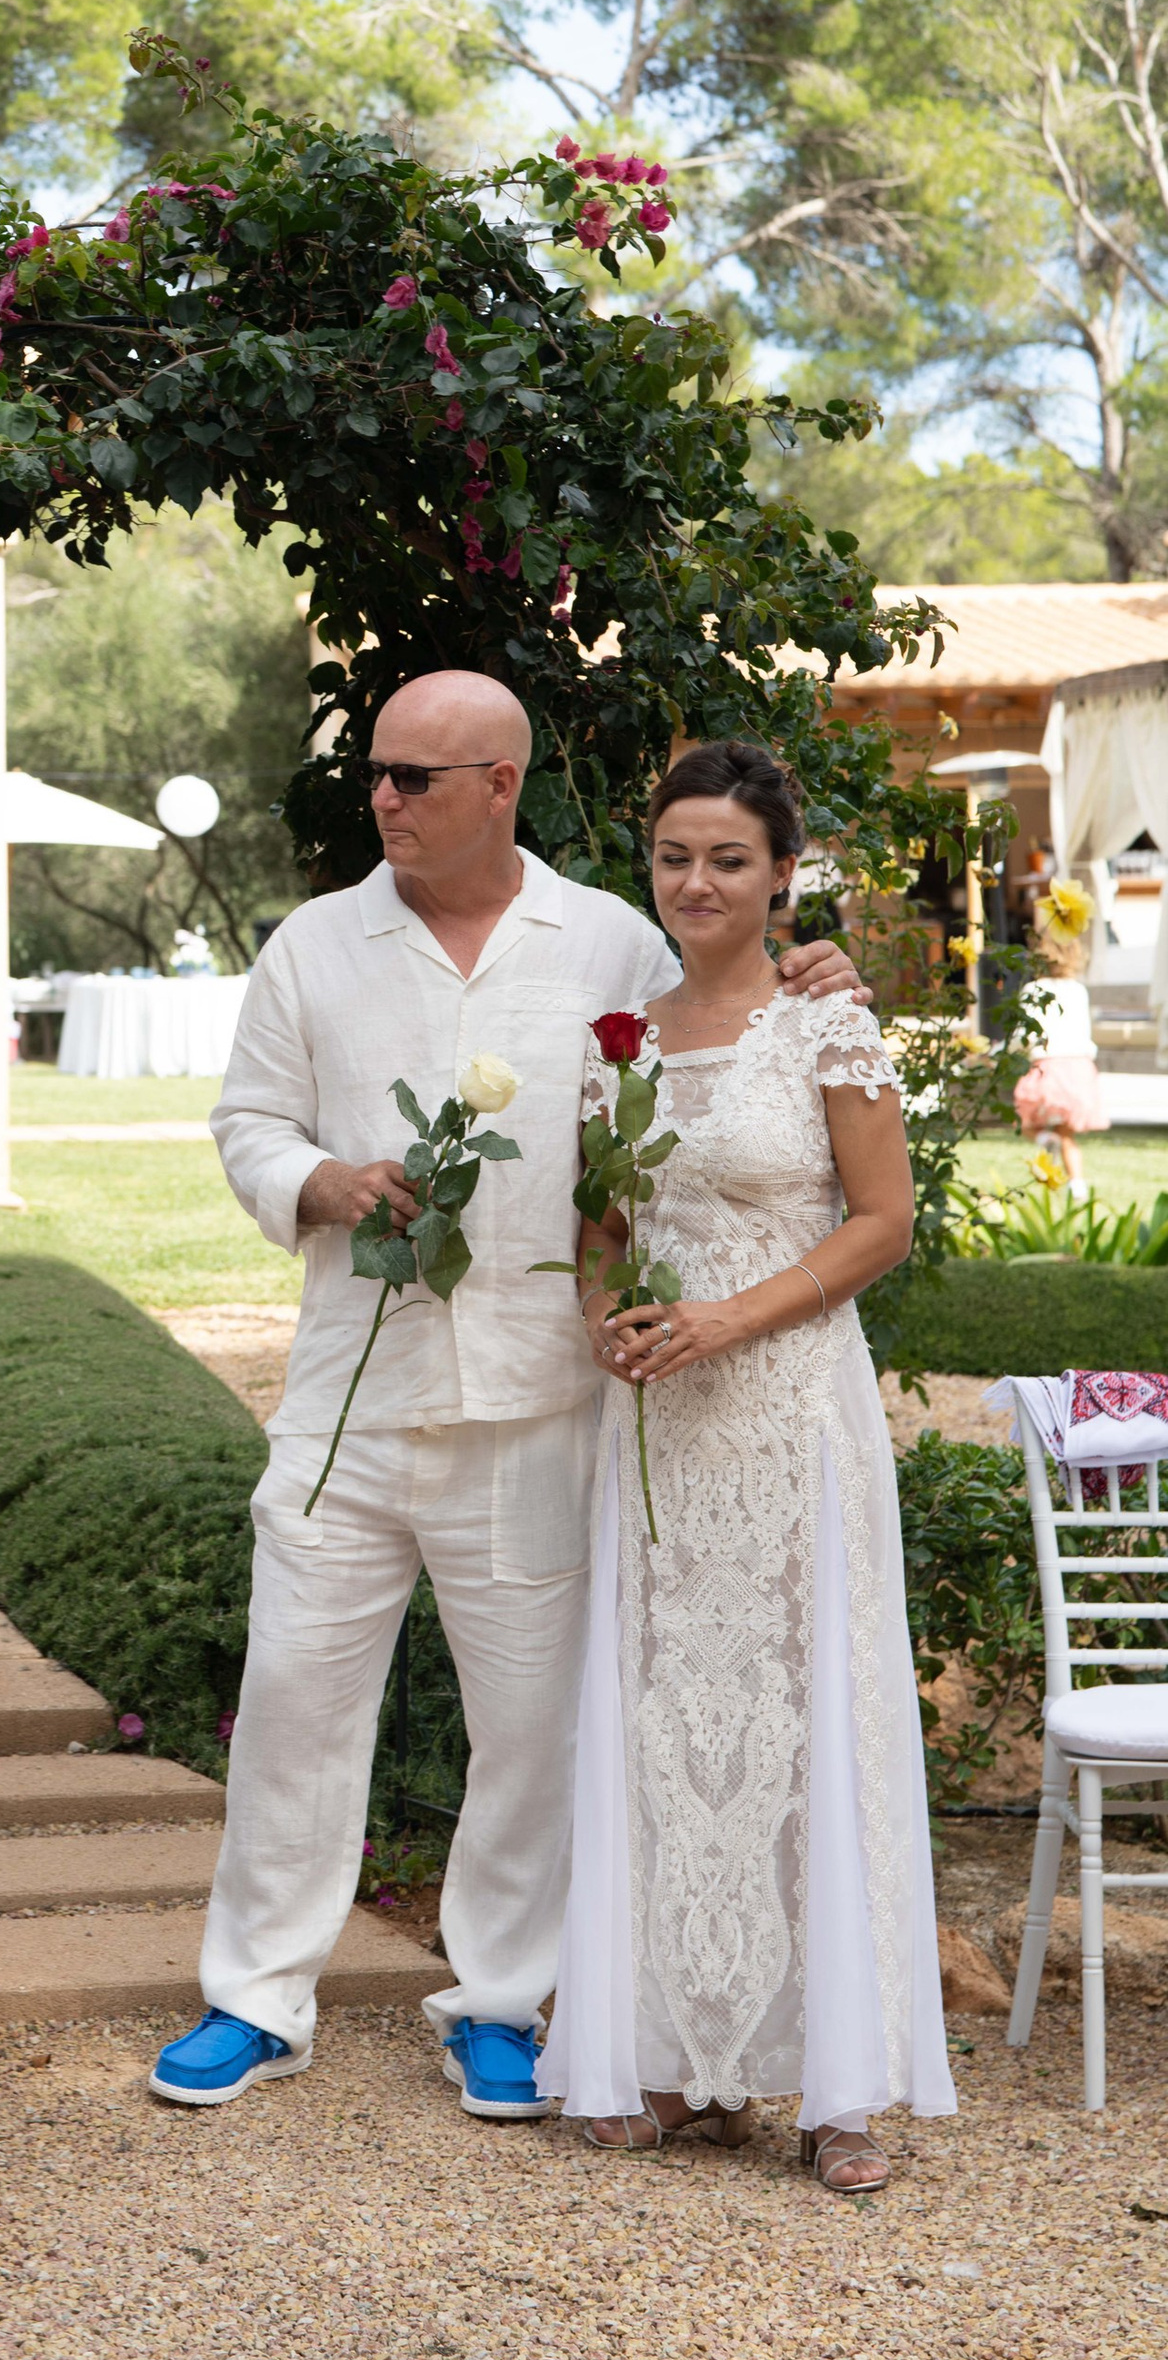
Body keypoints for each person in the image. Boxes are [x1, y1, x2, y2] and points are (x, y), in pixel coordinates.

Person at [151, 669, 869, 2123]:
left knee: (529, 1730)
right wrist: (321, 1182)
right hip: (349, 1396)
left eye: (416, 777)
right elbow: (245, 1119)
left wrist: (817, 972)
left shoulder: (607, 941)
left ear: (500, 785)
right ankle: (255, 1998)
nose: (385, 799)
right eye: (376, 773)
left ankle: (496, 2000)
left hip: (542, 1400)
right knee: (292, 1700)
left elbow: (719, 1025)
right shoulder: (312, 946)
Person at [539, 740, 953, 2194]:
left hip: (786, 1411)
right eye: (673, 856)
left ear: (782, 873)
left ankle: (836, 2086)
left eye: (728, 858)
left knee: (807, 1713)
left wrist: (723, 1318)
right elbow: (596, 1235)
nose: (697, 882)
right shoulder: (621, 1044)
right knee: (666, 1723)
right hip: (658, 1428)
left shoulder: (830, 1027)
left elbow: (881, 1224)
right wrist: (608, 1327)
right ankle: (676, 2057)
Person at [1012, 878, 1105, 1183]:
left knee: (1028, 1123)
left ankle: (1042, 1144)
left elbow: (1024, 1035)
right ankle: (1077, 1185)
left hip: (1047, 1068)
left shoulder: (1033, 989)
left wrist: (1010, 1052)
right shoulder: (1078, 990)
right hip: (1079, 1068)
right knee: (1068, 1135)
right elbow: (1085, 1033)